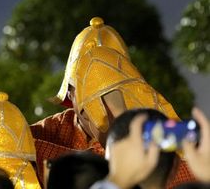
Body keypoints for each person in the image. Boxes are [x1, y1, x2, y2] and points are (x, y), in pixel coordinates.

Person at [30, 18, 191, 188]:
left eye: (112, 89)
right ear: (70, 91)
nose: (103, 108)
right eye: (88, 91)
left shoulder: (158, 134)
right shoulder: (41, 135)